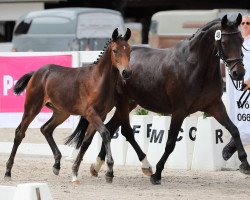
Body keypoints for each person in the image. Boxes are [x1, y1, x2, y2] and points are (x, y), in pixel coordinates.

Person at [222, 15, 250, 160]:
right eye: (243, 23)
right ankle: (236, 143)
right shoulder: (235, 41)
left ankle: (233, 145)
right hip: (236, 88)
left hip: (248, 87)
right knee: (237, 117)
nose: (245, 25)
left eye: (248, 23)